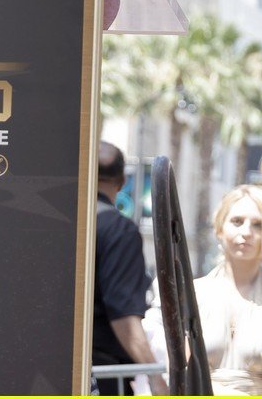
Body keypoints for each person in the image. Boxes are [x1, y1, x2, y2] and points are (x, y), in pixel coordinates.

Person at [188, 185, 262, 395]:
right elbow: (181, 370)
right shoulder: (194, 295)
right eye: (237, 221)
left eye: (257, 225)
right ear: (220, 228)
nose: (246, 232)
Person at [92, 142, 166, 396]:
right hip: (100, 378)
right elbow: (123, 315)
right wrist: (155, 377)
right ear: (122, 182)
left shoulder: (52, 224)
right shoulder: (118, 230)